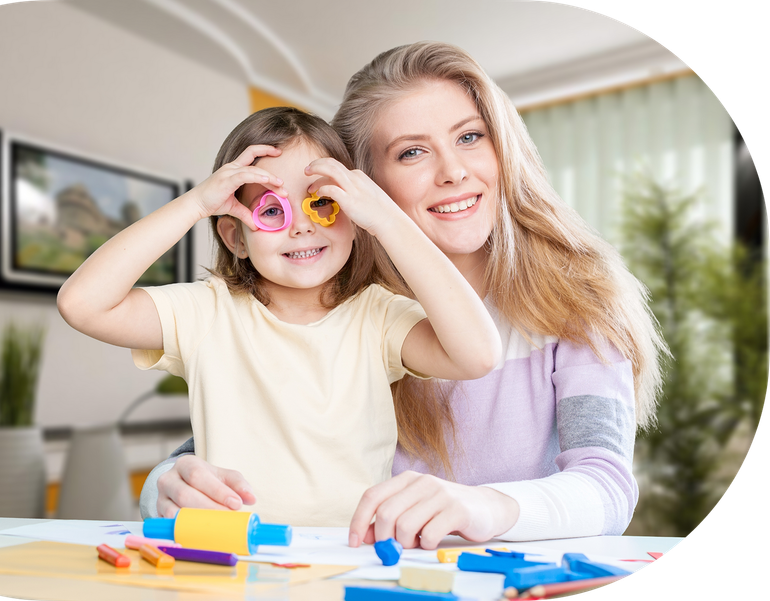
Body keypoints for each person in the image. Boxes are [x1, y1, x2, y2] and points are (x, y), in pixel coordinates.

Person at [139, 42, 667, 548]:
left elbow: (606, 488)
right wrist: (164, 484)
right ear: (361, 184)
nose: (454, 172)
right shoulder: (351, 309)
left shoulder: (577, 297)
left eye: (470, 137)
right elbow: (242, 445)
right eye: (412, 152)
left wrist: (482, 507)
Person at [57, 106, 502, 526]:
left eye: (321, 203)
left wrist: (387, 219)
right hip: (235, 554)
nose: (302, 227)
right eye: (272, 210)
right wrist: (194, 204)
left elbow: (478, 355)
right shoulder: (206, 312)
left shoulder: (378, 316)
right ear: (235, 237)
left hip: (354, 553)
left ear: (353, 214)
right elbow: (83, 304)